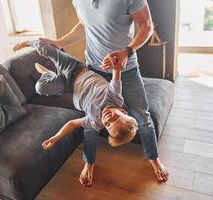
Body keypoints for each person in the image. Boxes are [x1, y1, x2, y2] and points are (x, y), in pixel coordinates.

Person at [39, 0, 169, 184]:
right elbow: (83, 24)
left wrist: (127, 52)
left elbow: (147, 26)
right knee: (91, 122)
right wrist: (58, 42)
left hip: (126, 69)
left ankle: (154, 159)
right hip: (94, 68)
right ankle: (89, 162)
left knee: (143, 117)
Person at [13, 40, 138, 185]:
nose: (109, 118)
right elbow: (117, 71)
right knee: (46, 49)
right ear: (122, 110)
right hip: (74, 69)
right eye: (116, 117)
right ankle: (29, 42)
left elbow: (73, 123)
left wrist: (56, 137)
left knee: (40, 88)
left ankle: (48, 74)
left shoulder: (95, 122)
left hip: (68, 86)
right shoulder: (115, 96)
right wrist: (116, 62)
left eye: (109, 125)